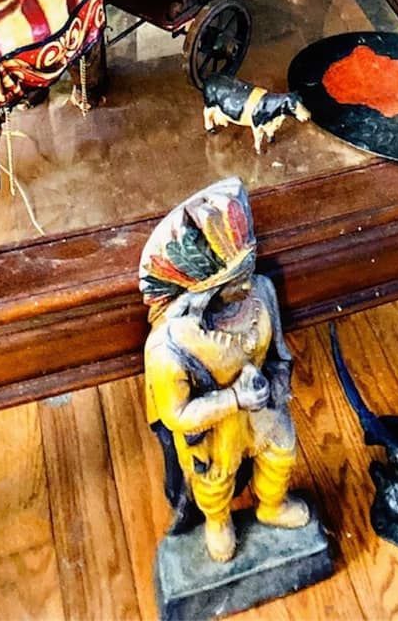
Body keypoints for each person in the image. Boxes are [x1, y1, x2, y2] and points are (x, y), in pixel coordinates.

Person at [140, 176, 311, 564]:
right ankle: (217, 522)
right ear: (204, 291)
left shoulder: (262, 293)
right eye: (237, 279)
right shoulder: (170, 348)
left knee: (281, 450)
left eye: (249, 271)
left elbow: (279, 354)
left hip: (262, 407)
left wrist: (277, 387)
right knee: (214, 479)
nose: (248, 284)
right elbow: (177, 414)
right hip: (215, 427)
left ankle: (272, 505)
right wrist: (233, 398)